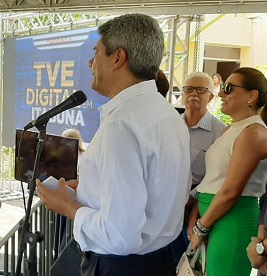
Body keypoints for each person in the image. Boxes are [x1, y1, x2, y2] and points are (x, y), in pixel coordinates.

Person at [36, 14, 190, 275]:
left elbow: (120, 236)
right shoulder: (166, 113)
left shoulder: (122, 125)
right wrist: (89, 190)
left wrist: (69, 207)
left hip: (120, 266)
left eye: (96, 53)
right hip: (158, 260)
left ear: (118, 58)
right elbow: (158, 191)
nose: (90, 62)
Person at [190, 67, 267, 275]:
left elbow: (230, 191)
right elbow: (212, 182)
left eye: (229, 88)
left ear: (251, 95)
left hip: (230, 222)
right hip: (212, 220)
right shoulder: (232, 129)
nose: (220, 93)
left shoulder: (254, 133)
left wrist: (201, 226)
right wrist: (198, 220)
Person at [167, 72, 227, 264]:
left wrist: (190, 197)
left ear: (211, 97)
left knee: (188, 265)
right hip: (165, 209)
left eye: (201, 90)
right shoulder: (169, 125)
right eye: (188, 89)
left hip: (198, 212)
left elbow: (218, 176)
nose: (193, 94)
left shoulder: (221, 132)